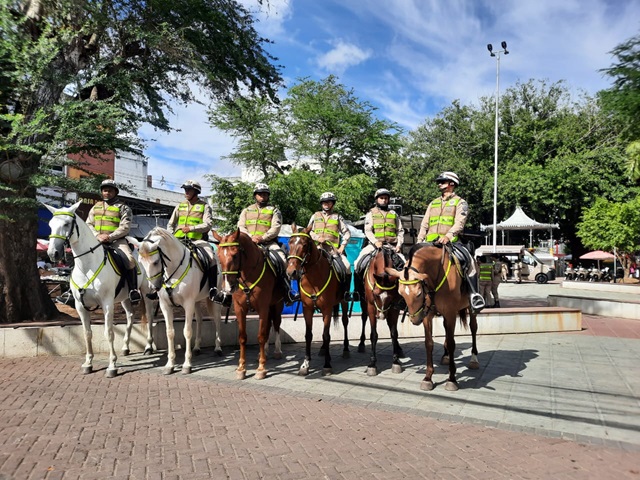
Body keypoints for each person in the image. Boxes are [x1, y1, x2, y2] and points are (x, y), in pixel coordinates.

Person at [416, 171, 485, 311]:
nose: (439, 184)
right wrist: (419, 240)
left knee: (470, 262)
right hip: (429, 243)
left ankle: (474, 295)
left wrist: (448, 235)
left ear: (452, 184)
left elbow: (460, 222)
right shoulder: (433, 203)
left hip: (451, 242)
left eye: (443, 181)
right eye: (439, 182)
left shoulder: (461, 203)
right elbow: (425, 223)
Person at [238, 183, 299, 304]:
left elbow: (276, 228)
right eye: (260, 194)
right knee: (232, 258)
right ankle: (228, 290)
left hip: (268, 243)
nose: (262, 197)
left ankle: (288, 291)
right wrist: (250, 237)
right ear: (255, 196)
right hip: (249, 243)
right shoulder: (246, 210)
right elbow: (240, 226)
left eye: (265, 195)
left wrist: (262, 238)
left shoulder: (274, 210)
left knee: (282, 259)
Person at [86, 179, 141, 303]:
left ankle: (133, 290)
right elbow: (88, 223)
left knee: (130, 260)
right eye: (105, 190)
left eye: (110, 190)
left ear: (115, 192)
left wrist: (109, 237)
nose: (107, 193)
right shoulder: (96, 207)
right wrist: (97, 235)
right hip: (97, 240)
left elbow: (125, 227)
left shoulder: (123, 207)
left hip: (117, 241)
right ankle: (72, 290)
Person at [167, 180, 217, 301]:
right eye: (185, 189)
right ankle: (158, 288)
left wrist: (191, 228)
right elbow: (171, 224)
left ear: (196, 192)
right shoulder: (180, 206)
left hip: (197, 241)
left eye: (189, 189)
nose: (187, 191)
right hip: (178, 241)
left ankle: (213, 288)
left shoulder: (205, 206)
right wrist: (170, 236)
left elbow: (208, 224)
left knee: (211, 258)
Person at [307, 192, 354, 300]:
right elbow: (308, 231)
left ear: (332, 204)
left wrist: (342, 247)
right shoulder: (315, 216)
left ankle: (346, 293)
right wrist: (317, 238)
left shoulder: (337, 217)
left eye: (329, 202)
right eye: (324, 202)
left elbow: (347, 232)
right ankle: (300, 293)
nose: (326, 204)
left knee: (346, 267)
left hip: (333, 250)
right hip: (317, 249)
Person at [354, 188, 406, 273]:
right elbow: (368, 231)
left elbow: (400, 231)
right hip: (374, 246)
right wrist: (375, 242)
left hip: (391, 246)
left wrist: (399, 245)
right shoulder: (371, 214)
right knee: (357, 264)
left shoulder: (394, 214)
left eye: (386, 198)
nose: (384, 200)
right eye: (381, 198)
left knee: (405, 265)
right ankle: (358, 286)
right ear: (377, 200)